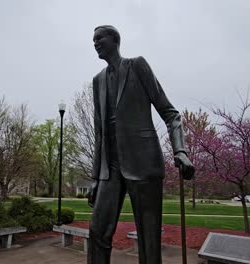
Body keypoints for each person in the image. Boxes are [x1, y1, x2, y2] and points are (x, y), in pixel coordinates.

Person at [87, 25, 195, 264]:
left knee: (148, 239)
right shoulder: (98, 81)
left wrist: (180, 151)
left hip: (143, 161)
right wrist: (96, 178)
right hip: (111, 167)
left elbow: (171, 113)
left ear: (115, 40)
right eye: (92, 40)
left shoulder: (137, 66)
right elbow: (99, 133)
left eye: (99, 38)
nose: (94, 43)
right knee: (97, 232)